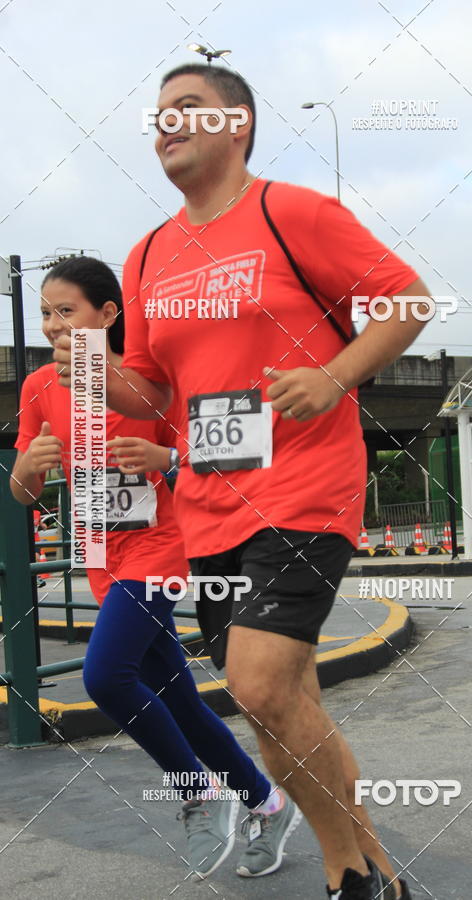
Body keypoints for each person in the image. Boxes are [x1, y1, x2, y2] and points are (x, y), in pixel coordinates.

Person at [54, 64, 430, 899]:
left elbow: (408, 300)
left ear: (240, 124)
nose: (168, 122)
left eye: (189, 108)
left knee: (257, 682)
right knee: (274, 703)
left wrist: (333, 377)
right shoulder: (149, 252)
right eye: (159, 113)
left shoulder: (292, 212)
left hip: (304, 489)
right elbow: (154, 389)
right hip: (212, 509)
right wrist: (89, 366)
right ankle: (370, 872)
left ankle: (349, 879)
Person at [11, 255, 301, 881]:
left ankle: (197, 792)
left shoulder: (149, 381)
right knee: (181, 700)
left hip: (161, 547)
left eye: (68, 311)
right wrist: (31, 465)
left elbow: (225, 458)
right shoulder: (38, 389)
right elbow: (21, 494)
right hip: (97, 554)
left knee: (106, 677)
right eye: (45, 314)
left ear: (107, 314)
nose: (55, 326)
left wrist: (164, 454)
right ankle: (267, 802)